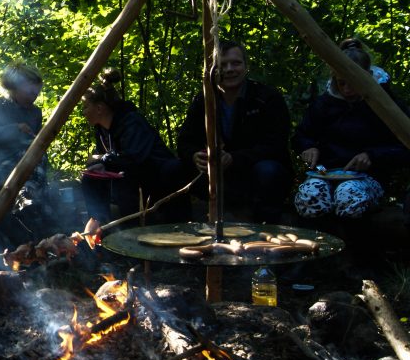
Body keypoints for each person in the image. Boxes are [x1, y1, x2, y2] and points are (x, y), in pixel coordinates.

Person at [176, 40, 293, 223]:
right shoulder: (204, 99)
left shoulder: (266, 98)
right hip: (217, 174)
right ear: (213, 69)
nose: (229, 69)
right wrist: (194, 156)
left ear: (246, 66)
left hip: (253, 172)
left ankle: (267, 230)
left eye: (236, 63)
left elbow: (275, 145)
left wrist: (235, 158)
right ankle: (181, 230)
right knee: (173, 169)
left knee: (268, 171)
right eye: (222, 65)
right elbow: (184, 140)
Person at [292, 39, 410, 218]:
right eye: (341, 83)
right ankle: (320, 241)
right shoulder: (324, 103)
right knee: (310, 197)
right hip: (325, 171)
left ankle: (355, 241)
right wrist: (308, 147)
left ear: (368, 75)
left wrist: (372, 155)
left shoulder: (388, 104)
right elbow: (301, 135)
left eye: (353, 82)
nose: (347, 90)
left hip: (369, 176)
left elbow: (404, 148)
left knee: (348, 196)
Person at [80, 68, 190, 224]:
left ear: (99, 108)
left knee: (127, 181)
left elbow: (133, 158)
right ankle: (98, 225)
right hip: (128, 175)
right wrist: (100, 166)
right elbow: (110, 159)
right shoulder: (101, 130)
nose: (83, 112)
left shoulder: (131, 121)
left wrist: (102, 160)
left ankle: (134, 232)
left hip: (153, 175)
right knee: (90, 179)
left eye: (85, 107)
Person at [0, 62, 55, 242]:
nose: (33, 98)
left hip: (29, 168)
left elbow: (37, 144)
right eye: (30, 93)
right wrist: (14, 129)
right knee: (27, 161)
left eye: (36, 94)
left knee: (35, 159)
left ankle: (35, 220)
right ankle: (28, 205)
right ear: (14, 86)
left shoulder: (35, 112)